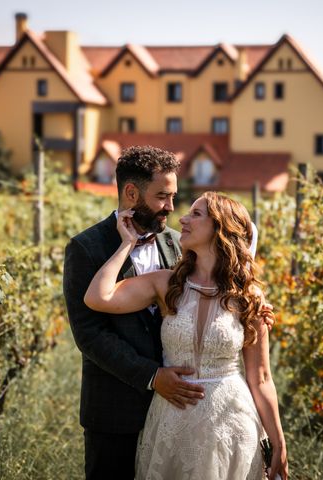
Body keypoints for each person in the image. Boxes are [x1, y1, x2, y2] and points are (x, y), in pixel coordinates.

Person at [85, 191, 289, 480]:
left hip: (231, 424)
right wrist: (126, 244)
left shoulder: (249, 296)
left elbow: (262, 378)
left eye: (196, 214)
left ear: (221, 226)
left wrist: (278, 441)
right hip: (172, 422)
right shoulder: (167, 284)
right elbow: (98, 297)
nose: (182, 219)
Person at [63, 146, 206, 479]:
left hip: (177, 410)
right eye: (161, 197)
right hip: (114, 411)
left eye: (173, 196)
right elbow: (90, 336)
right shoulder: (86, 248)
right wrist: (153, 377)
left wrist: (251, 308)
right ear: (131, 193)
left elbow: (204, 296)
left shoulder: (177, 243)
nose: (170, 207)